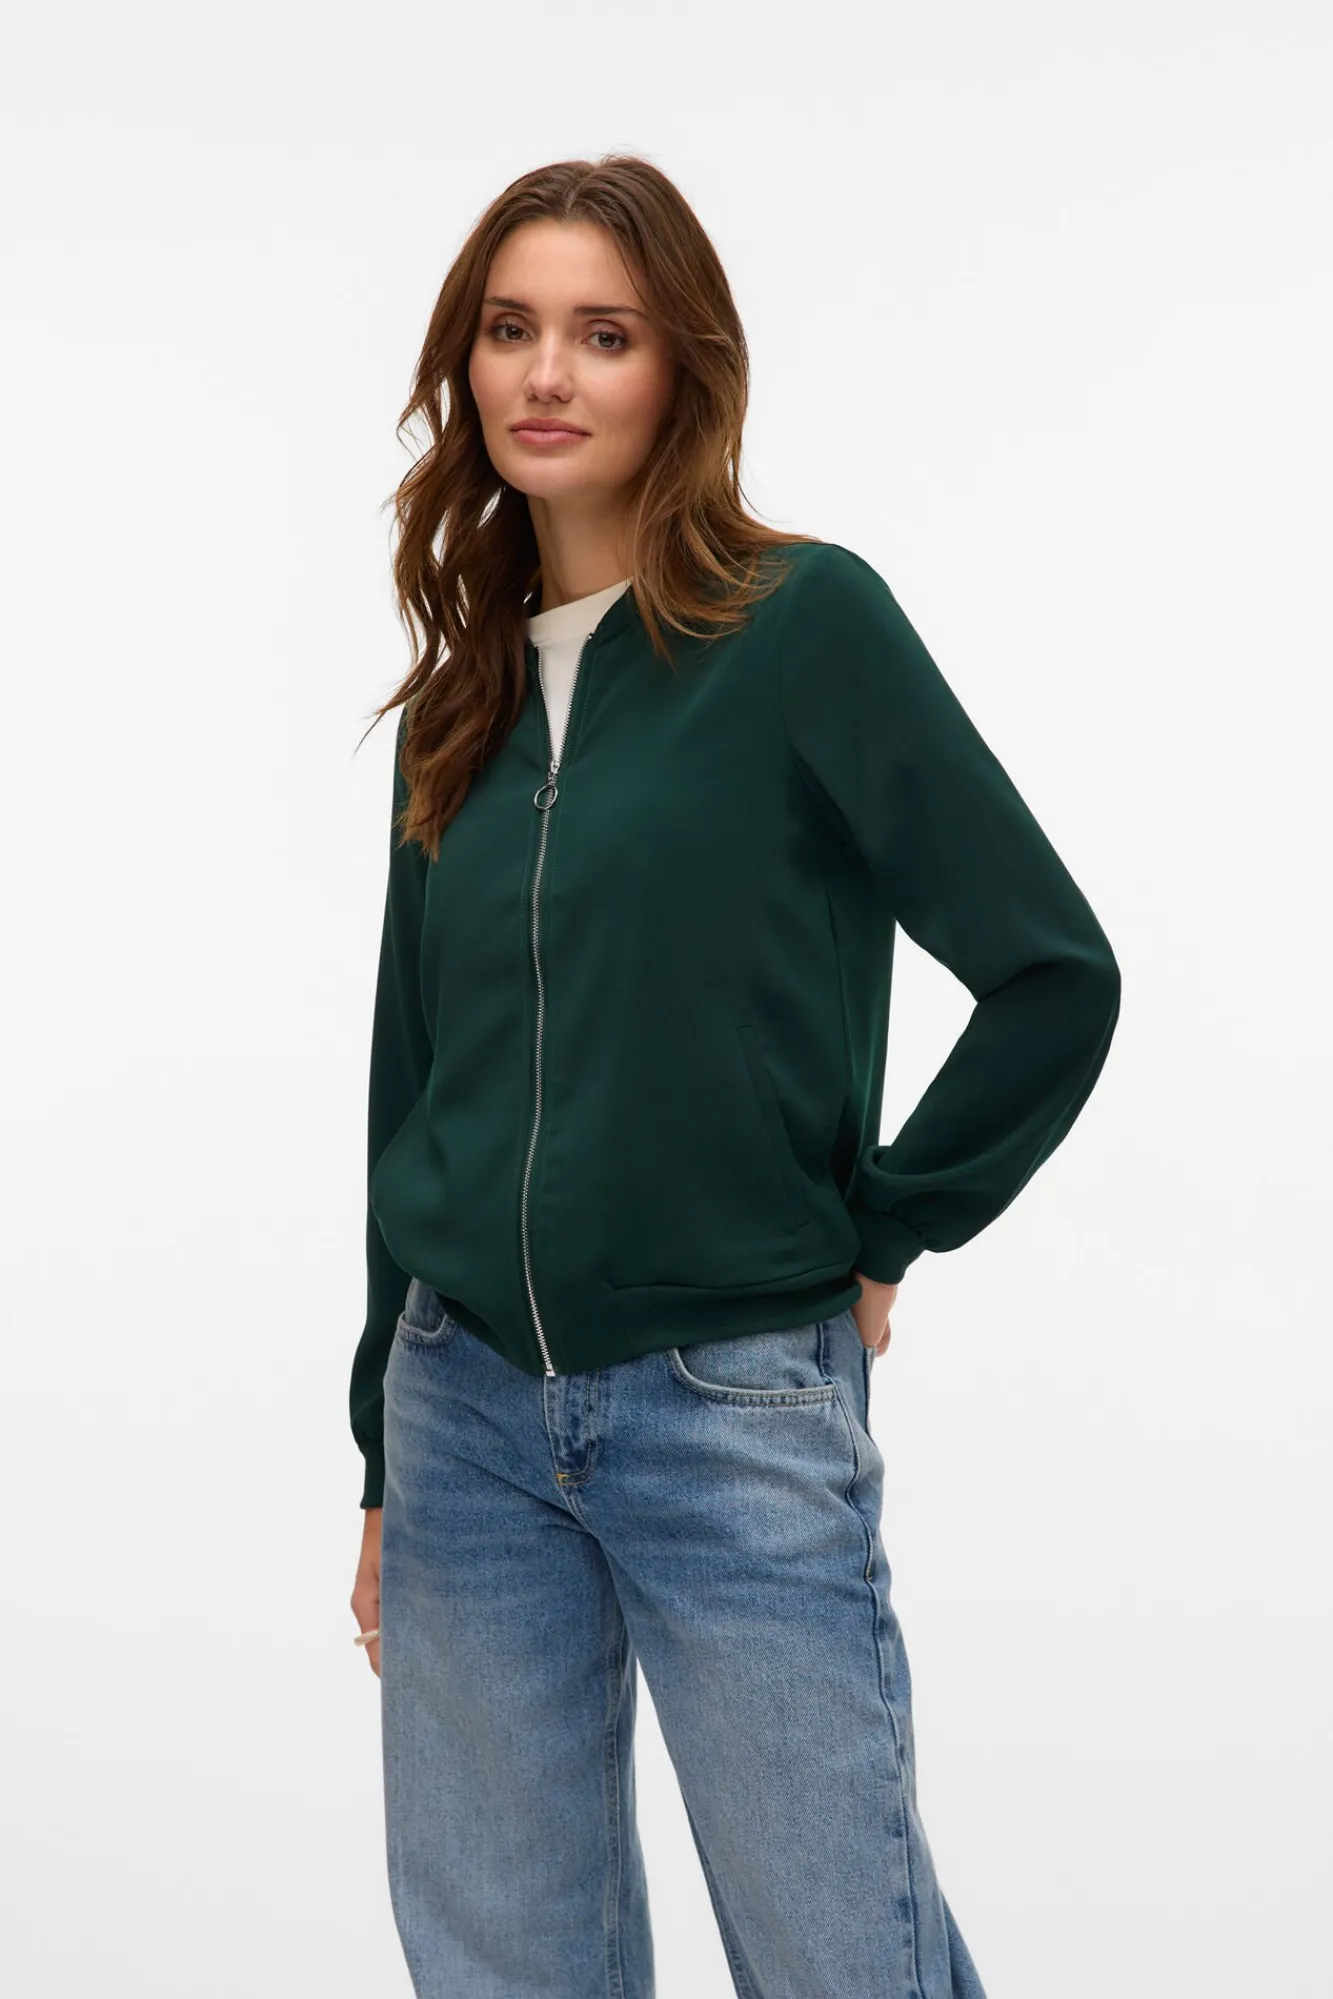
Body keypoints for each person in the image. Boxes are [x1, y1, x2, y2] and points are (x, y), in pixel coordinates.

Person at [346, 153, 1120, 1999]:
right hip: (463, 1411)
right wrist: (380, 1441)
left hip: (728, 1403)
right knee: (504, 1971)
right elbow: (411, 1082)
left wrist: (889, 1224)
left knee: (844, 1959)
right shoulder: (460, 696)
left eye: (603, 335)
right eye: (511, 329)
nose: (547, 373)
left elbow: (1053, 971)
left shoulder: (801, 626)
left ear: (681, 368)